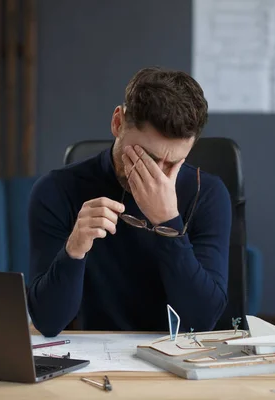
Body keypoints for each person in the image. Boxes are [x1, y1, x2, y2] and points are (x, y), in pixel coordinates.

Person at [26, 66, 232, 337]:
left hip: (178, 357)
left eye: (171, 163)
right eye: (144, 155)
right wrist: (73, 250)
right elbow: (48, 322)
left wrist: (168, 223)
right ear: (117, 123)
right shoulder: (56, 189)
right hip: (97, 356)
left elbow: (202, 321)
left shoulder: (208, 194)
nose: (155, 173)